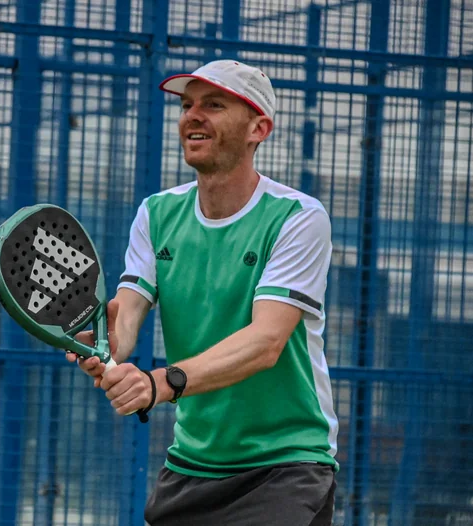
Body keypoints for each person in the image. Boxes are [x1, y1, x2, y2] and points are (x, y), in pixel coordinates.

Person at [66, 60, 339, 525]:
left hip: (285, 467)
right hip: (191, 465)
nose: (192, 115)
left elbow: (265, 343)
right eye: (187, 105)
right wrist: (109, 343)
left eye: (213, 105)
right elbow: (128, 315)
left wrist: (158, 383)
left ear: (259, 128)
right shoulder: (156, 214)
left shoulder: (298, 217)